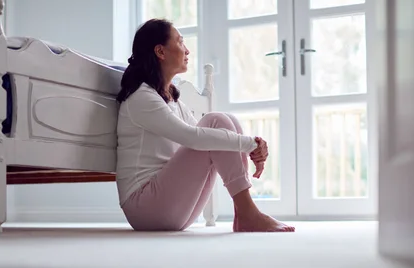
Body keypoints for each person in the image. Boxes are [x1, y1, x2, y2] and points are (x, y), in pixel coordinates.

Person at [115, 18, 295, 233]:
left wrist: (250, 144)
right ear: (160, 52)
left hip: (169, 207)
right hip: (144, 208)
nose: (187, 50)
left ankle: (244, 212)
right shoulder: (141, 98)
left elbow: (206, 137)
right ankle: (248, 212)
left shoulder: (171, 100)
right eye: (180, 42)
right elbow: (194, 137)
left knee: (223, 120)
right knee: (214, 122)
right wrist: (250, 145)